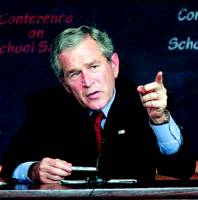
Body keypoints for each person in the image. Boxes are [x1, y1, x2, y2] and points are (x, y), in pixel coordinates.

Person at [1, 25, 196, 184]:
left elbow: (183, 169)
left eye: (93, 67)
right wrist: (34, 170)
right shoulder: (46, 106)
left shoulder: (147, 101)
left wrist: (160, 120)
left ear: (114, 65)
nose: (87, 82)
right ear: (64, 84)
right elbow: (10, 164)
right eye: (74, 73)